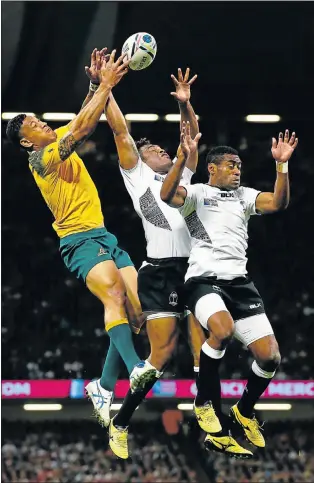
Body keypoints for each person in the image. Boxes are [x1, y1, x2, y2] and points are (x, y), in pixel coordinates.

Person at [5, 49, 158, 397]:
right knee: (115, 295)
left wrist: (93, 85)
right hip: (78, 241)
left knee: (140, 312)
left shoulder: (56, 137)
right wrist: (106, 84)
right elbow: (86, 127)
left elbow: (82, 117)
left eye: (38, 118)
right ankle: (135, 368)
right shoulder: (41, 159)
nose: (41, 122)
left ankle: (103, 387)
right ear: (27, 141)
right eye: (33, 124)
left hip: (104, 235)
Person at [161, 124, 298, 458]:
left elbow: (278, 203)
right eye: (231, 166)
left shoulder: (246, 196)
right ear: (213, 168)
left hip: (240, 284)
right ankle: (205, 402)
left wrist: (281, 165)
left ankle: (244, 410)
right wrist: (180, 158)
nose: (238, 171)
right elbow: (167, 196)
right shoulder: (196, 193)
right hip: (203, 281)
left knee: (270, 356)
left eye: (239, 166)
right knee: (220, 330)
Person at [97, 68, 206, 459]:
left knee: (205, 339)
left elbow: (190, 137)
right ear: (141, 159)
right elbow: (121, 132)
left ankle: (207, 407)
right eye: (154, 150)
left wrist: (185, 102)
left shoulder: (183, 175)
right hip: (159, 271)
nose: (162, 151)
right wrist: (104, 88)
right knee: (160, 355)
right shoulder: (137, 174)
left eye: (163, 149)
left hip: (195, 268)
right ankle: (121, 421)